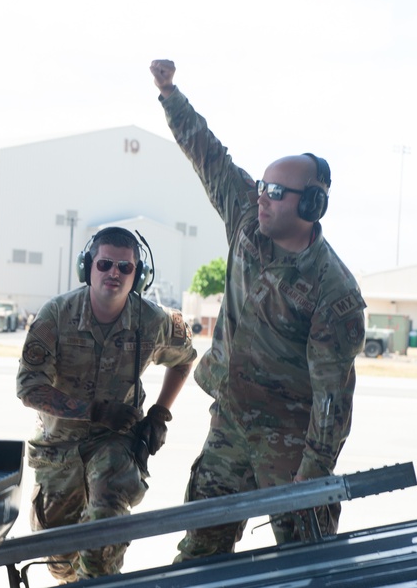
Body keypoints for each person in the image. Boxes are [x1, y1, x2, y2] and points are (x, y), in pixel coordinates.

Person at [148, 59, 367, 560]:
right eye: (261, 187)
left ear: (310, 205)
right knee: (200, 550)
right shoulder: (249, 221)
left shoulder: (334, 294)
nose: (260, 198)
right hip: (230, 422)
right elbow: (209, 155)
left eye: (275, 191)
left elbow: (333, 403)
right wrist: (169, 93)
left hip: (291, 444)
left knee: (305, 561)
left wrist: (309, 481)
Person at [16, 226, 196, 582]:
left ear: (138, 276)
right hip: (59, 448)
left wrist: (160, 413)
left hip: (114, 443)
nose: (114, 273)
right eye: (105, 264)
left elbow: (185, 358)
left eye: (125, 268)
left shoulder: (153, 320)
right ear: (88, 268)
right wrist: (94, 411)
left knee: (101, 548)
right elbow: (28, 388)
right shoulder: (57, 315)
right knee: (60, 559)